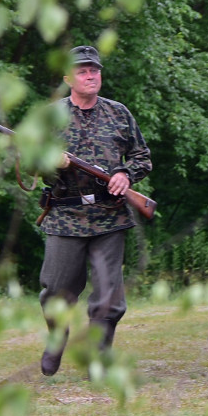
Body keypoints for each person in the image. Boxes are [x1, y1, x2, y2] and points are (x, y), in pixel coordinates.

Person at [37, 45, 152, 376]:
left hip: (110, 216)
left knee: (108, 294)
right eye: (83, 71)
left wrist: (125, 174)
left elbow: (142, 156)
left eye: (95, 70)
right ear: (68, 78)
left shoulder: (118, 113)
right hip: (64, 217)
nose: (91, 76)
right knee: (55, 290)